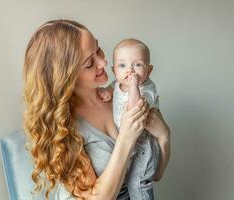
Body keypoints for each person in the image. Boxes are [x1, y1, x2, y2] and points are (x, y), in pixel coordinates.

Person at [23, 19, 170, 200]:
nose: (103, 61)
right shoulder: (61, 126)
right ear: (66, 77)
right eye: (89, 63)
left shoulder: (124, 93)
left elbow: (155, 175)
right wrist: (126, 138)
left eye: (98, 49)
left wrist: (164, 136)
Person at [98, 38, 161, 199]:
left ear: (149, 70)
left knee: (138, 184)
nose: (130, 70)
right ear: (114, 70)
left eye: (138, 64)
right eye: (122, 65)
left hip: (144, 147)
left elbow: (135, 108)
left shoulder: (147, 88)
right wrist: (108, 91)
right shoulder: (118, 84)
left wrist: (134, 86)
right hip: (130, 144)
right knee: (124, 182)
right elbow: (114, 87)